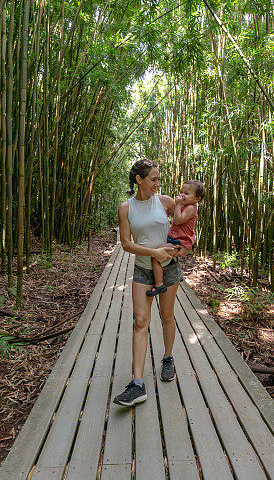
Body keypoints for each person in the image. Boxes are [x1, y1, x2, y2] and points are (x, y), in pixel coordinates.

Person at [112, 159, 189, 407]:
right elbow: (126, 243)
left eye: (159, 179)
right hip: (143, 269)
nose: (158, 183)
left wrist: (182, 249)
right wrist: (152, 253)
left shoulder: (165, 202)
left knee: (167, 316)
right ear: (139, 180)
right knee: (140, 322)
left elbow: (184, 226)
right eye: (153, 179)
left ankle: (168, 358)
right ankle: (137, 384)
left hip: (169, 267)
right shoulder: (126, 208)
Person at [146, 180, 204, 297]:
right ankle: (175, 276)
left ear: (197, 198)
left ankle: (159, 285)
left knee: (156, 254)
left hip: (180, 242)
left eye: (186, 193)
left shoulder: (191, 208)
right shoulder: (185, 206)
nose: (182, 195)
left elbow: (178, 220)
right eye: (181, 192)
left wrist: (177, 204)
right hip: (175, 240)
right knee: (160, 254)